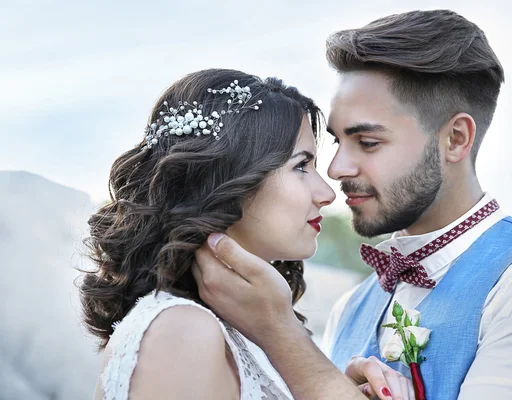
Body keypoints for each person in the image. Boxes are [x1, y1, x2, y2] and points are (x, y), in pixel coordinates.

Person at [194, 10, 512, 400]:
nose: (337, 169)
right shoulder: (352, 306)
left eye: (367, 142)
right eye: (338, 141)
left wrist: (281, 332)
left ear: (456, 139)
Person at [79, 69, 411, 399]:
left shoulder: (229, 331)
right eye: (300, 166)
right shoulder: (181, 330)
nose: (327, 193)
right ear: (230, 179)